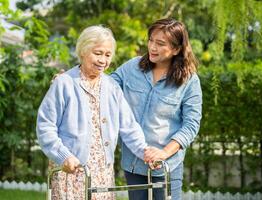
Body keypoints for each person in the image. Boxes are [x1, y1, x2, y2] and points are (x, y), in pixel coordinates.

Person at [36, 25, 148, 200]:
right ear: (83, 51)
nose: (103, 60)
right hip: (71, 173)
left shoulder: (112, 87)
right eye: (98, 53)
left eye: (108, 55)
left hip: (102, 174)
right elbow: (45, 126)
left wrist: (145, 151)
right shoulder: (64, 83)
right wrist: (63, 156)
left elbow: (129, 126)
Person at [111, 18, 202, 200]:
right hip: (134, 163)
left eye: (160, 44)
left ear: (176, 49)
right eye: (151, 40)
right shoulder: (131, 67)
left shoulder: (189, 81)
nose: (152, 47)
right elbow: (104, 87)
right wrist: (73, 78)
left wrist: (164, 153)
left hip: (166, 166)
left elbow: (191, 124)